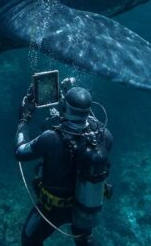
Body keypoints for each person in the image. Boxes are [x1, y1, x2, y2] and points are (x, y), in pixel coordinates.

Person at [15, 85, 113, 245]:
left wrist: (24, 119)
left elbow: (20, 152)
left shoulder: (51, 139)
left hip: (53, 209)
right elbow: (84, 124)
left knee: (29, 240)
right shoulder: (105, 135)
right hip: (84, 205)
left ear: (65, 108)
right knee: (84, 239)